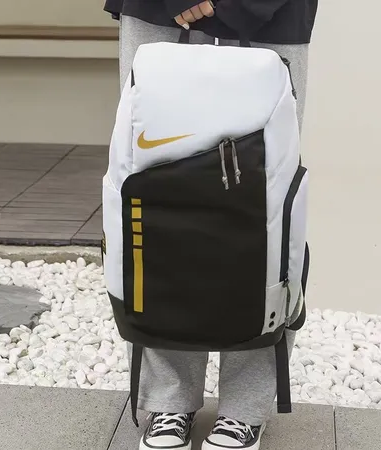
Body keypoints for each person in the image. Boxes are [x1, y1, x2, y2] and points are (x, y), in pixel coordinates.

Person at [103, 1, 318, 449]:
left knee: (266, 207)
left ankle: (244, 409)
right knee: (155, 200)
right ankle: (169, 400)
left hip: (273, 16)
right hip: (159, 13)